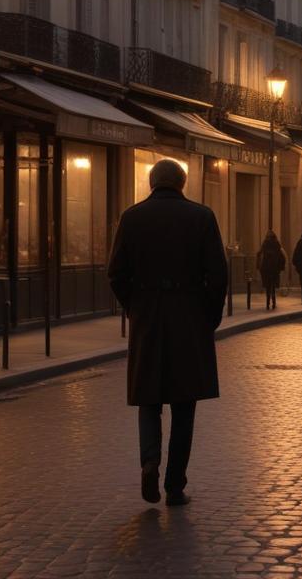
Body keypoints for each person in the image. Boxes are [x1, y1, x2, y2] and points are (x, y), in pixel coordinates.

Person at [108, 160, 228, 506]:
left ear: (151, 183)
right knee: (184, 405)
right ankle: (175, 484)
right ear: (182, 183)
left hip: (148, 316)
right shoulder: (202, 217)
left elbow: (115, 272)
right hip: (188, 316)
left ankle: (149, 462)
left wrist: (134, 306)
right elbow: (217, 274)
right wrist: (209, 314)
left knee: (148, 399)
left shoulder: (132, 217)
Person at [256, 231, 286, 311]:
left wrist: (258, 266)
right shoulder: (277, 244)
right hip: (275, 268)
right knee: (273, 285)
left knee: (267, 286)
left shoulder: (265, 243)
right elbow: (282, 257)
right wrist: (281, 267)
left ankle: (267, 303)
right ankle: (273, 302)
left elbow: (259, 253)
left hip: (266, 268)